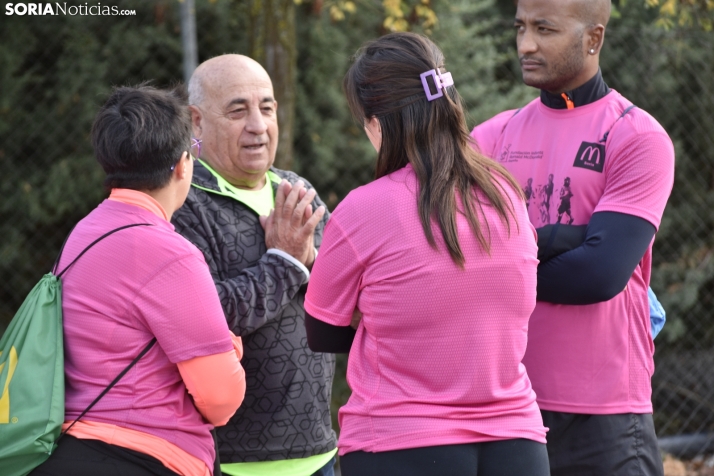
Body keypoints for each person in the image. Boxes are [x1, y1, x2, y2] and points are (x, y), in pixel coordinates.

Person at [303, 32, 549, 476]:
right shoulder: (506, 194)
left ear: (377, 122)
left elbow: (322, 332)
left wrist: (379, 318)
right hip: (518, 442)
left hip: (400, 442)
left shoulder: (363, 208)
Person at [470, 0, 675, 474]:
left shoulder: (636, 136)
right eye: (520, 27)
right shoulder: (492, 137)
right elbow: (452, 254)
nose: (526, 44)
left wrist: (501, 263)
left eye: (545, 29)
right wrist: (565, 236)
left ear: (593, 39)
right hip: (507, 409)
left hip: (605, 416)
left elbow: (598, 275)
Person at [30, 85, 246, 476]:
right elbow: (221, 398)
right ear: (183, 164)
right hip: (148, 455)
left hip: (68, 450)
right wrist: (230, 347)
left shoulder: (85, 232)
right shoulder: (171, 254)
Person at [171, 54, 337, 476]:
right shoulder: (183, 202)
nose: (258, 126)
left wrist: (310, 259)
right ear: (196, 122)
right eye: (237, 110)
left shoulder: (298, 192)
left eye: (266, 108)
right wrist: (284, 262)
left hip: (321, 450)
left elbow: (350, 299)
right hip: (231, 461)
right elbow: (211, 317)